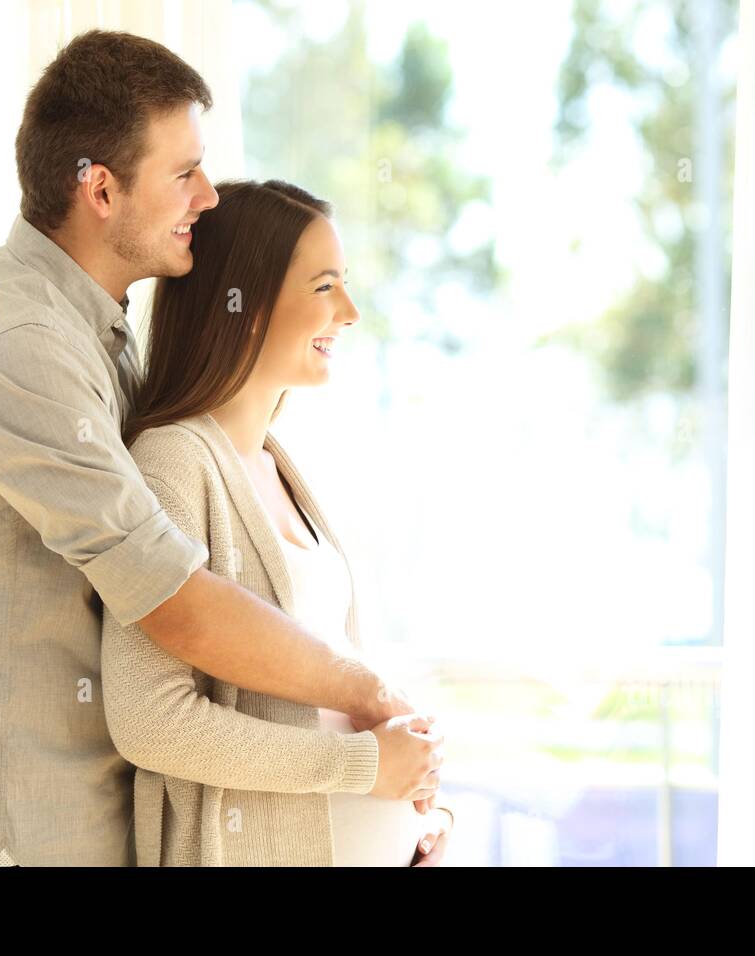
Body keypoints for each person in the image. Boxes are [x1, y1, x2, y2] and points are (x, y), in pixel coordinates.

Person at [0, 30, 438, 867]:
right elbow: (174, 601)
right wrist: (370, 699)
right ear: (99, 189)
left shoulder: (99, 340)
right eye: (183, 174)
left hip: (81, 825)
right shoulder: (17, 346)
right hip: (8, 833)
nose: (206, 197)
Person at [102, 179, 454, 866]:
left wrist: (422, 816)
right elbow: (151, 721)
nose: (350, 312)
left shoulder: (280, 466)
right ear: (250, 305)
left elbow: (338, 687)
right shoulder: (173, 462)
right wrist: (367, 770)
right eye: (326, 287)